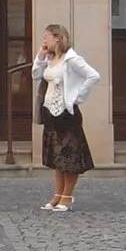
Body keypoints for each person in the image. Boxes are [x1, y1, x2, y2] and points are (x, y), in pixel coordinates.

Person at [32, 23, 98, 211]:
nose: (44, 41)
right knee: (57, 156)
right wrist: (40, 56)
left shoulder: (72, 59)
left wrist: (77, 97)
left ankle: (67, 196)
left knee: (69, 156)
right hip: (50, 113)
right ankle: (57, 194)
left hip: (66, 114)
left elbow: (93, 76)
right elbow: (36, 74)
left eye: (47, 37)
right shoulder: (50, 59)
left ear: (58, 38)